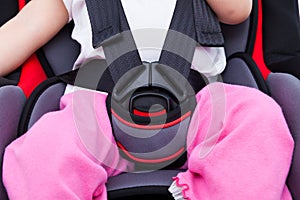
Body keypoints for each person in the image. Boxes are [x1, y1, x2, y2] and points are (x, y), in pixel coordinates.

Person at [0, 0, 294, 199]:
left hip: (202, 107)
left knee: (259, 117)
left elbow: (237, 10)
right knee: (43, 150)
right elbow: (22, 29)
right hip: (96, 110)